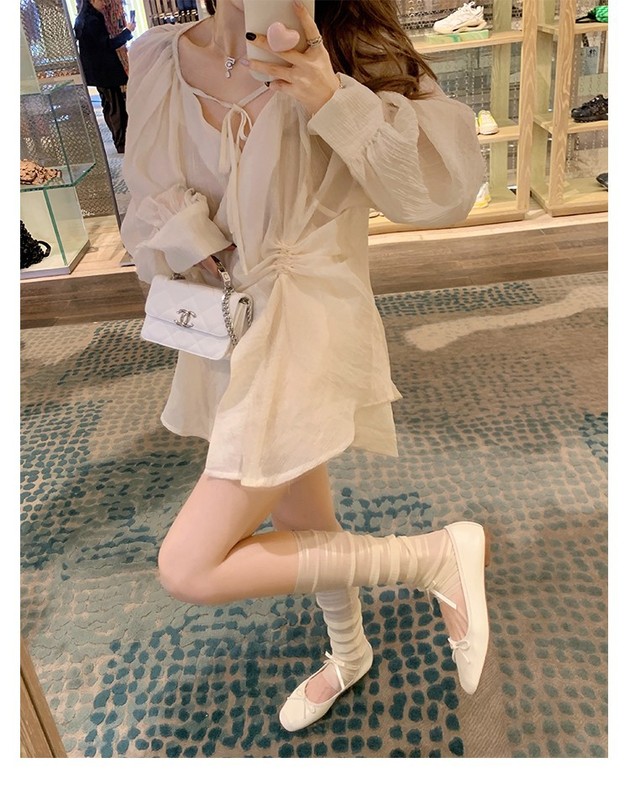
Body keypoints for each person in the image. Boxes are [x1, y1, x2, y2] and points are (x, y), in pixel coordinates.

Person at [120, 0, 488, 732]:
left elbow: (441, 191)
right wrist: (190, 237)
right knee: (304, 518)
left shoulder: (346, 45)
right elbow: (147, 192)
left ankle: (433, 557)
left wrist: (333, 98)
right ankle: (349, 652)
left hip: (310, 320)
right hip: (230, 323)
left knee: (188, 564)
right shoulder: (158, 59)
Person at [74, 0, 136, 153]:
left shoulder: (83, 18)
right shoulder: (92, 20)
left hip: (97, 71)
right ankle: (122, 143)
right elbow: (107, 45)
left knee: (109, 105)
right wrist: (127, 32)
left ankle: (120, 141)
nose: (105, 3)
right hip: (105, 71)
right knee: (116, 107)